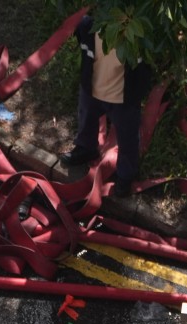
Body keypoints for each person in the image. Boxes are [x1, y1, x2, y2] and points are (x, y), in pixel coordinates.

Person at [59, 14, 152, 198]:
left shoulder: (137, 35)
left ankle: (126, 174)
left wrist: (138, 93)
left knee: (128, 138)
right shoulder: (89, 26)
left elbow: (144, 68)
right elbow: (84, 47)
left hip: (123, 98)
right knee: (86, 118)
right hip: (92, 89)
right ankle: (86, 148)